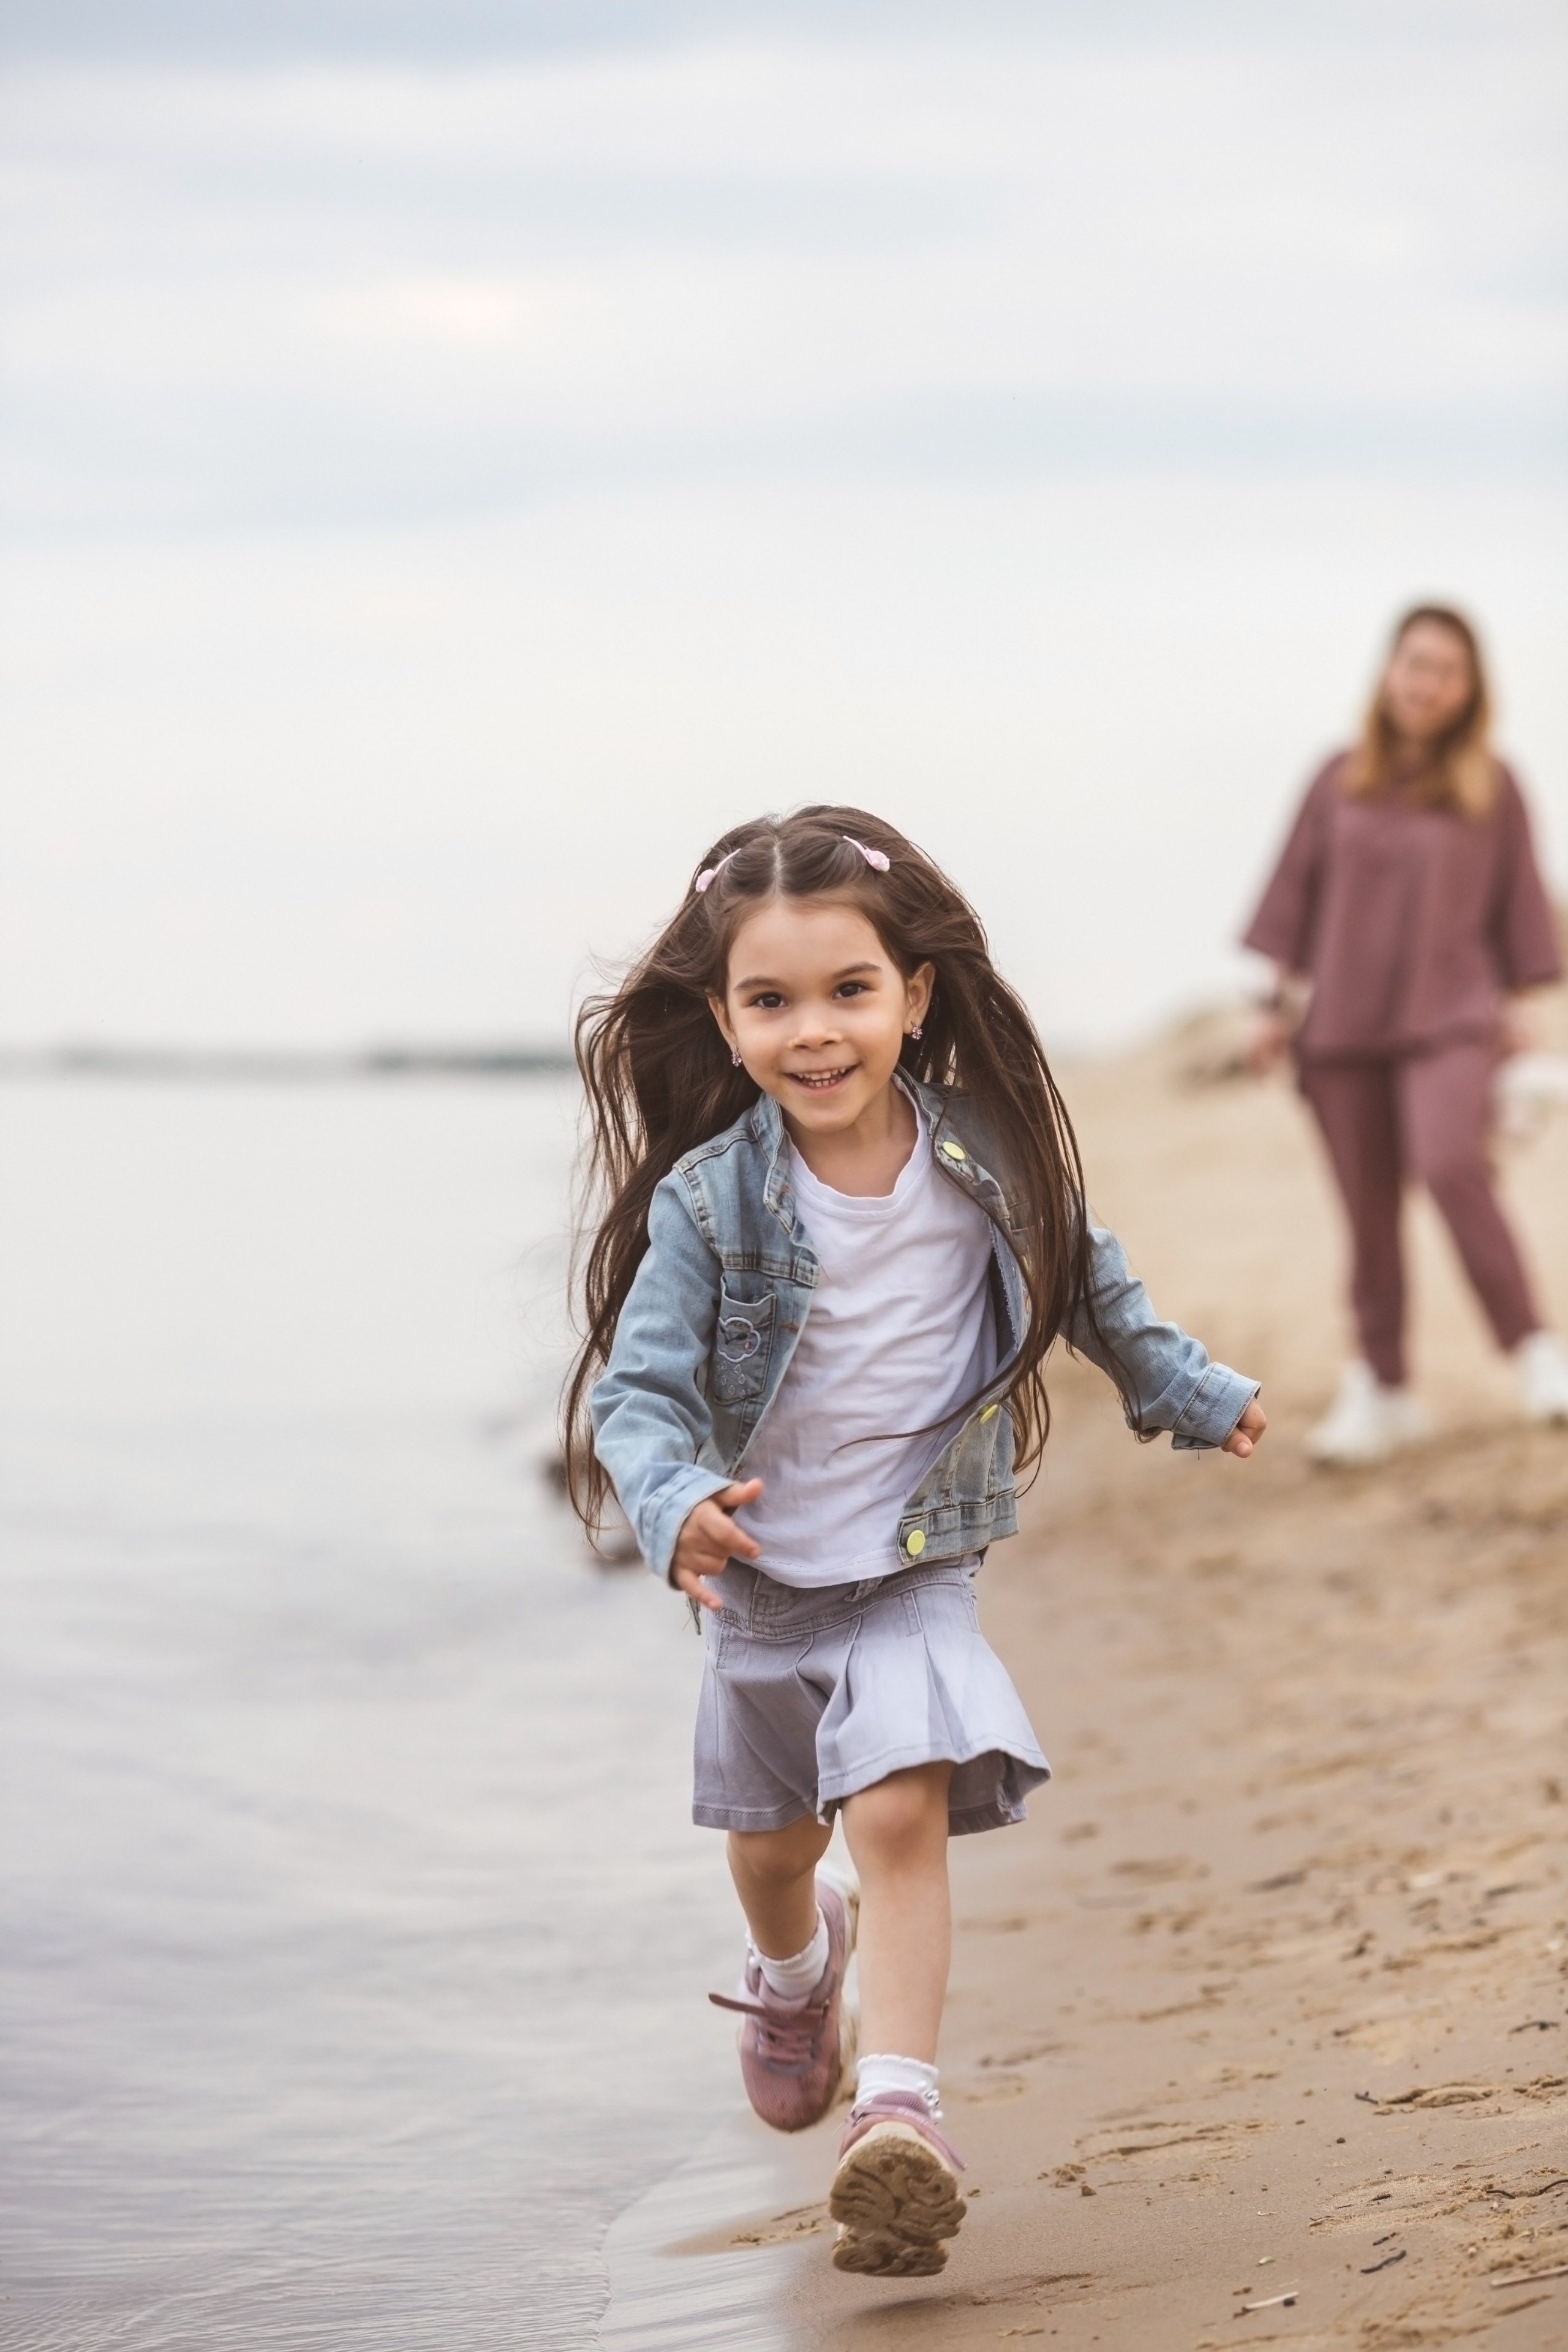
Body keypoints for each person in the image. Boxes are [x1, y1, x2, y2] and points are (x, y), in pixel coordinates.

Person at [565, 808, 1266, 2277]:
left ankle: (898, 2116)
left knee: (893, 1812)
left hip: (915, 1558)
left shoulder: (986, 1157)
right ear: (723, 1016)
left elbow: (1089, 1286)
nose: (812, 1033)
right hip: (762, 1583)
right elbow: (638, 1389)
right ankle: (791, 1969)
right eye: (770, 1002)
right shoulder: (709, 1202)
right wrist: (669, 1497)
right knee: (773, 1852)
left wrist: (1185, 1391)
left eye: (847, 993)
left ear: (914, 995)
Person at [1244, 605, 1568, 1463]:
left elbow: (1520, 917)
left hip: (1453, 1016)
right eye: (1415, 663)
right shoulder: (1336, 778)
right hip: (1343, 1022)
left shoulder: (1494, 786)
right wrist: (1269, 1013)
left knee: (1451, 1162)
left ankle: (1536, 1352)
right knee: (1368, 1211)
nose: (1427, 682)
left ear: (1470, 691)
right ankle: (1383, 1389)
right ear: (1390, 672)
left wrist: (1523, 1021)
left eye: (1446, 671)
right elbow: (1295, 898)